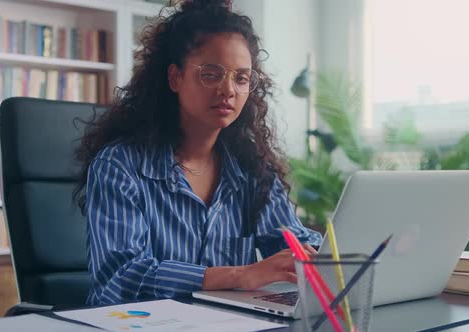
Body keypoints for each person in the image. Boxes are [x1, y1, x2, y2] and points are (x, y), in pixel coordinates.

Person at [73, 0, 321, 305]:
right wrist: (240, 275)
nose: (228, 90)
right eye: (211, 74)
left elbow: (293, 243)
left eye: (241, 78)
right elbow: (121, 280)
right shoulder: (120, 165)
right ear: (175, 78)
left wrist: (325, 256)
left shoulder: (251, 169)